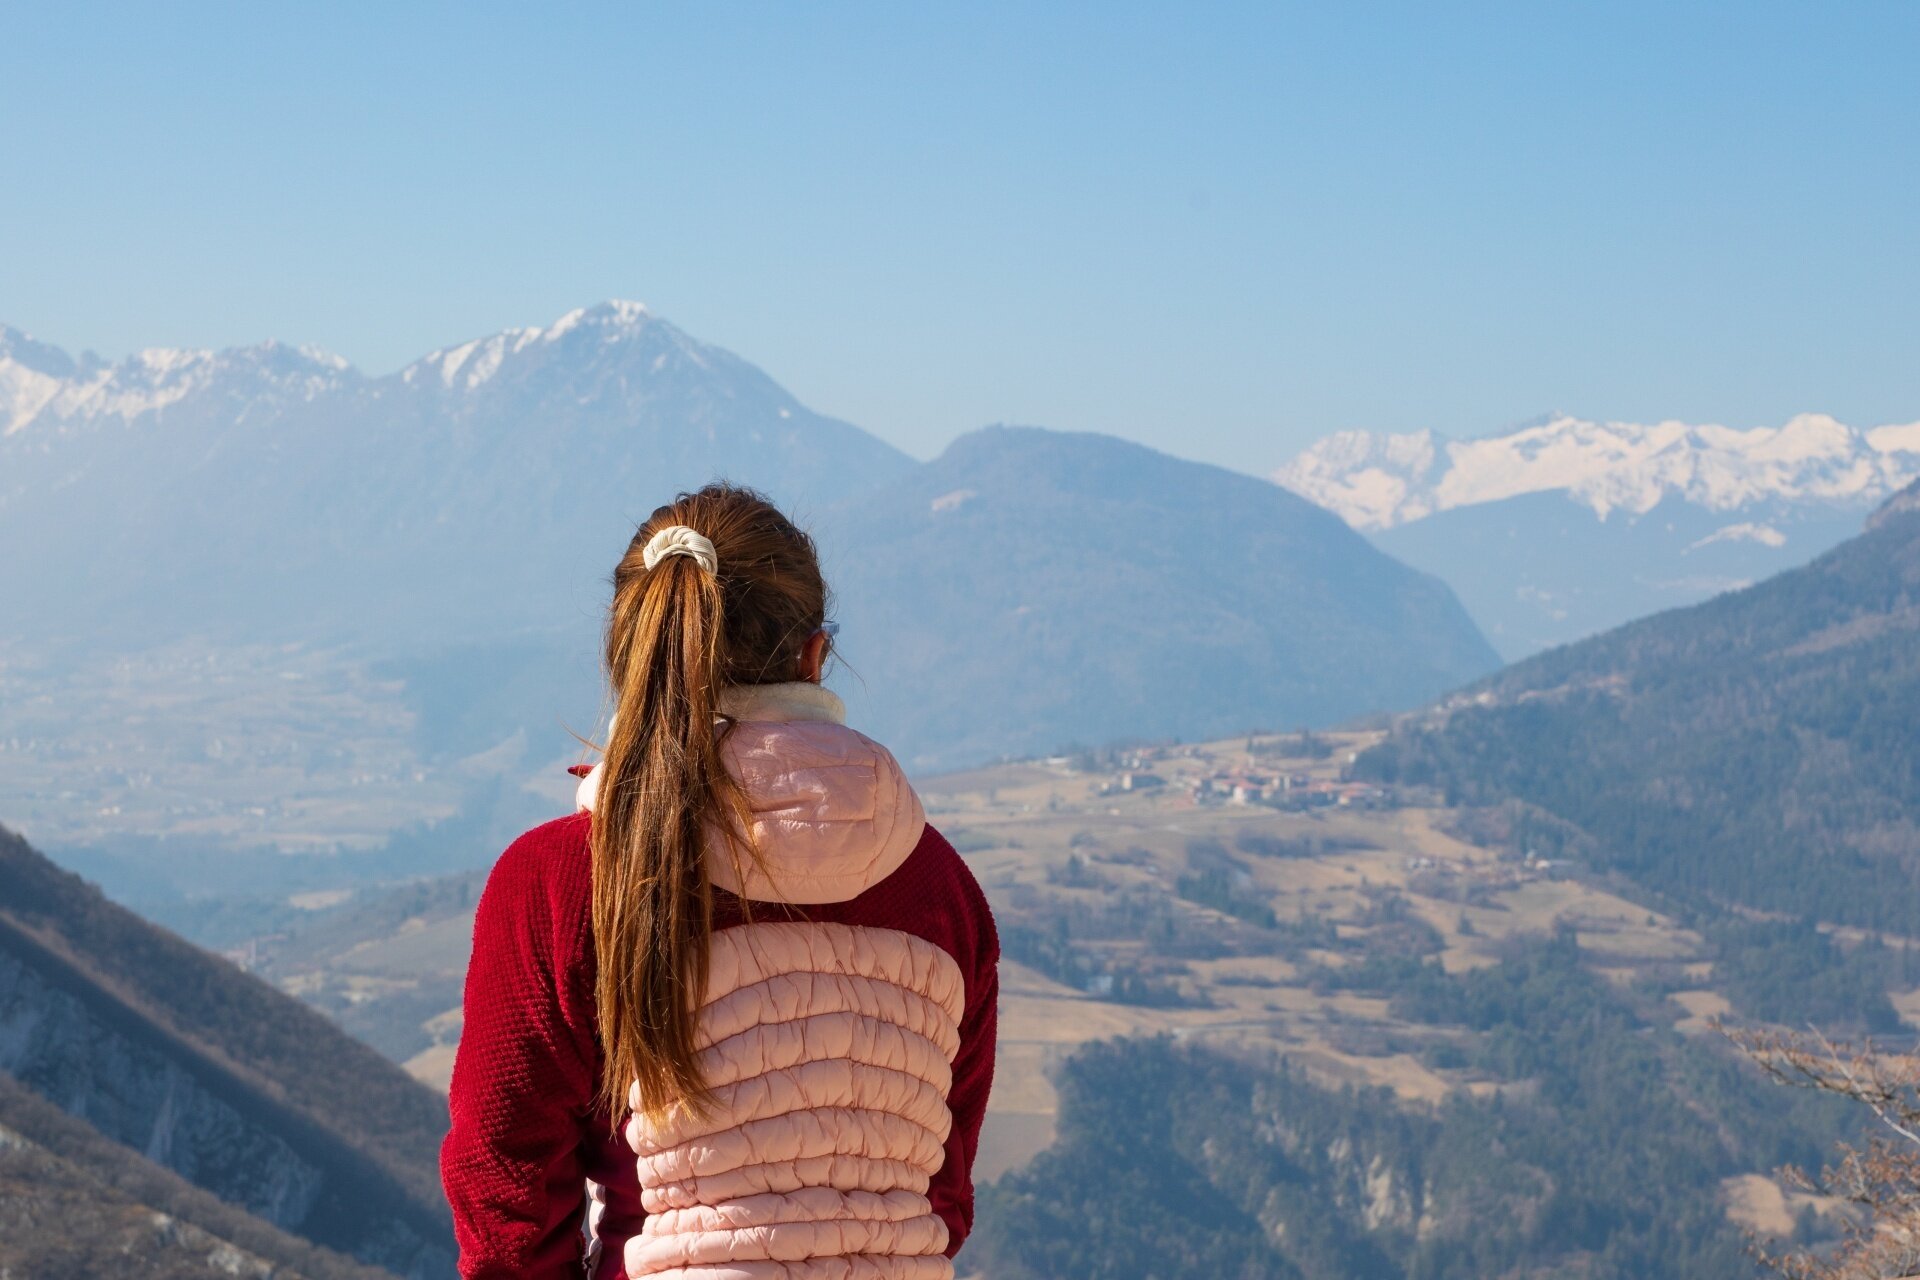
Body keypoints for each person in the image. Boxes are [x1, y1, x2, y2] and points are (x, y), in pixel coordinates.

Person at [440, 483, 999, 1280]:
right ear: (814, 654)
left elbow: (506, 1189)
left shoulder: (565, 879)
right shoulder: (940, 886)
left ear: (632, 653)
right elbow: (943, 1193)